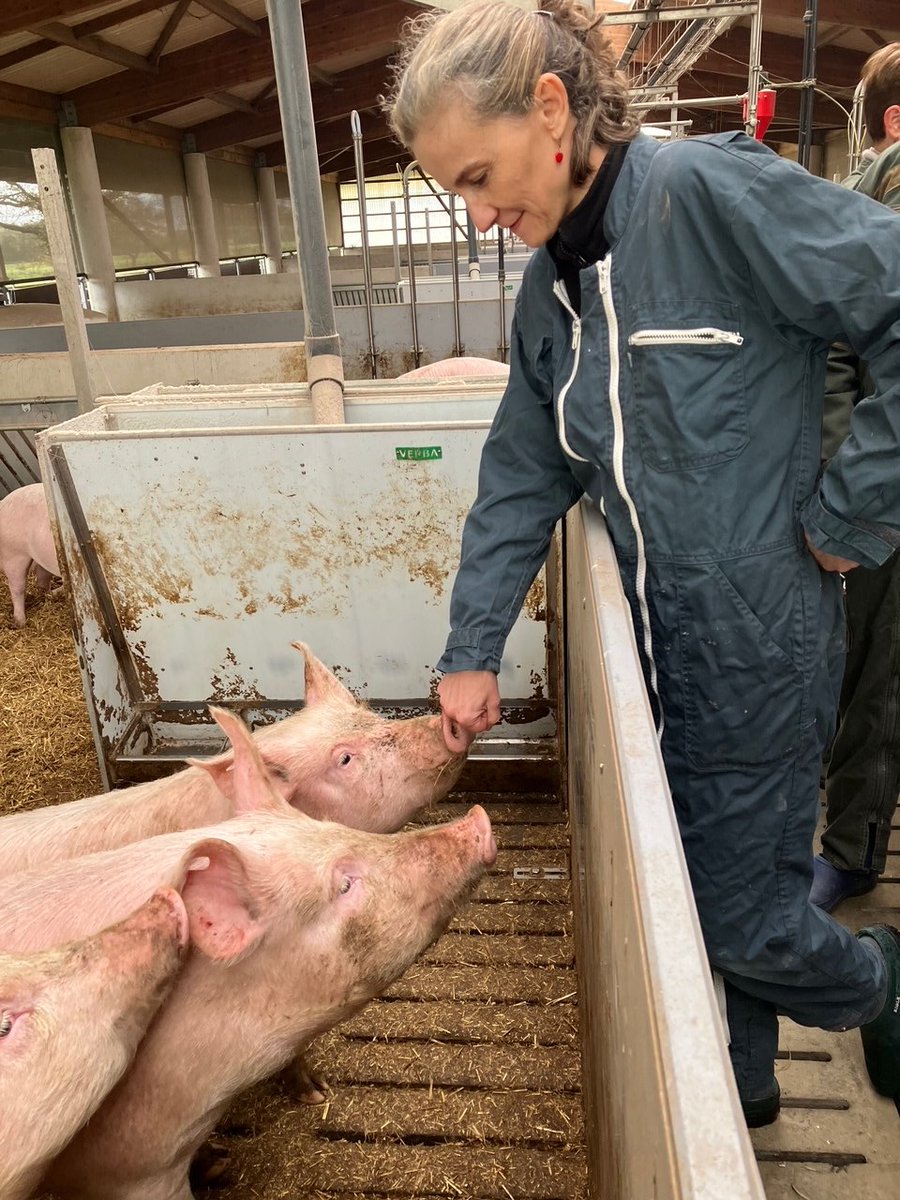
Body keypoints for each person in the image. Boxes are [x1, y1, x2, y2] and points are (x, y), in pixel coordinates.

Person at [384, 0, 900, 1123]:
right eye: (453, 190)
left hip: (761, 637)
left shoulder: (714, 197)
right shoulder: (551, 289)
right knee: (710, 881)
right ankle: (745, 1088)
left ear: (554, 109)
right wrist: (472, 647)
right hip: (655, 647)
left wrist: (855, 516)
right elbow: (524, 472)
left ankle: (878, 987)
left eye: (479, 174)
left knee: (734, 913)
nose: (477, 214)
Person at [810, 42, 900, 913]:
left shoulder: (866, 200)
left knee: (874, 666)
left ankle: (850, 844)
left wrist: (845, 488)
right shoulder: (875, 201)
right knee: (875, 668)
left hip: (876, 475)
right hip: (880, 472)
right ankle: (850, 841)